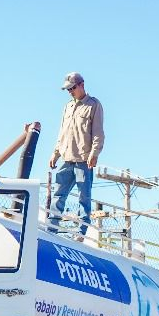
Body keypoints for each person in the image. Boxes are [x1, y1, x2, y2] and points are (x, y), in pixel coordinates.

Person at [46, 71, 104, 236]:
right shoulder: (68, 107)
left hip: (84, 160)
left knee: (83, 198)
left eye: (72, 88)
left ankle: (80, 232)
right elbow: (62, 133)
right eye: (68, 89)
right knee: (58, 195)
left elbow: (98, 133)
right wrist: (55, 153)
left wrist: (94, 153)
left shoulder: (93, 105)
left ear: (81, 85)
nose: (70, 92)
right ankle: (51, 229)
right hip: (66, 157)